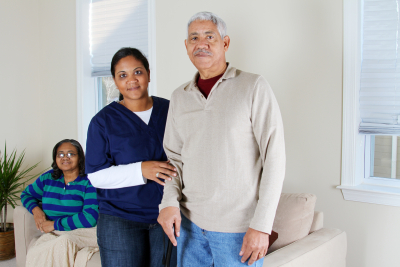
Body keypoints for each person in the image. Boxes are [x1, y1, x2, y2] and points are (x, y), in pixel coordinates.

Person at [157, 11, 286, 267]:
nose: (200, 44)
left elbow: (275, 158)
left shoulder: (253, 86)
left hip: (238, 230)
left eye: (209, 37)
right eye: (194, 38)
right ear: (186, 47)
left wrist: (262, 226)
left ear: (225, 43)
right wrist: (169, 202)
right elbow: (174, 159)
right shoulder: (179, 97)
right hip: (189, 228)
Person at [85, 47, 177, 267]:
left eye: (138, 72)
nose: (131, 80)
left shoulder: (171, 110)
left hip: (166, 212)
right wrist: (141, 170)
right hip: (120, 218)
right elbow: (96, 176)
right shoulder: (102, 122)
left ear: (148, 74)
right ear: (115, 82)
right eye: (122, 75)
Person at [21, 139, 99, 267]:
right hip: (55, 232)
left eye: (71, 154)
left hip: (85, 231)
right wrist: (36, 210)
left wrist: (54, 225)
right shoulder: (48, 178)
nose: (65, 158)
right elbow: (26, 194)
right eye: (60, 154)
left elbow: (90, 218)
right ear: (55, 158)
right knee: (35, 250)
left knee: (64, 241)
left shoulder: (89, 181)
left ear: (80, 157)